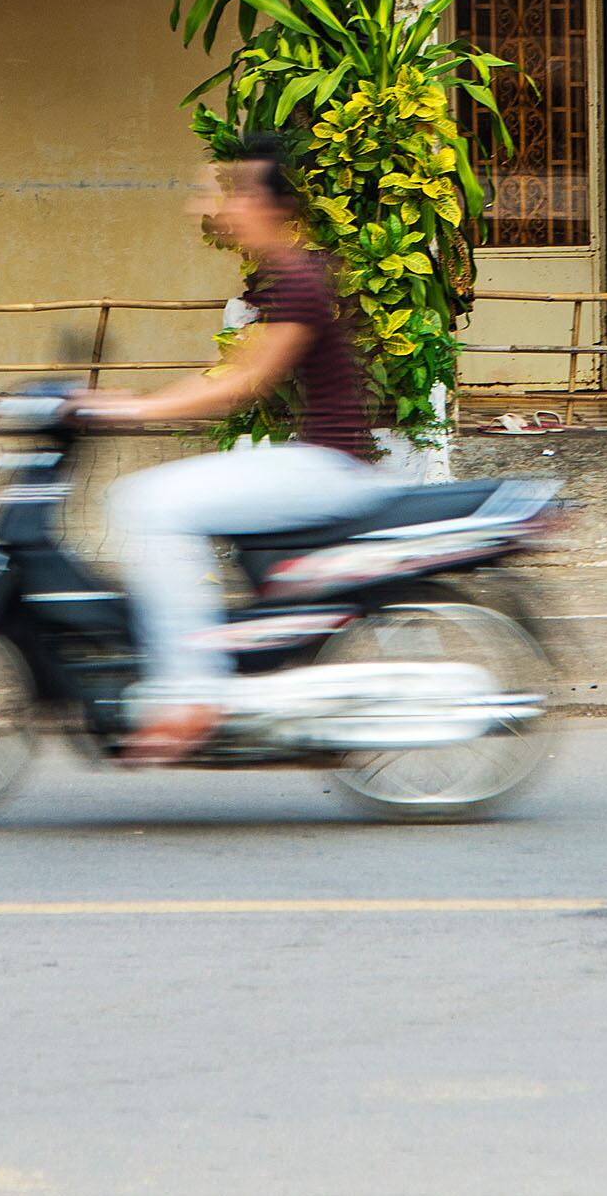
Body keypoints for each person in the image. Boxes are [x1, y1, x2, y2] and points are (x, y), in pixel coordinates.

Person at [86, 138, 389, 760]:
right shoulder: (281, 276)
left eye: (230, 190)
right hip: (313, 460)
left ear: (268, 204)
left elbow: (241, 383)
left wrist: (130, 409)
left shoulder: (299, 280)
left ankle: (193, 693)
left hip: (328, 470)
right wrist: (127, 403)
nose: (212, 203)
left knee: (148, 503)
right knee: (157, 501)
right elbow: (226, 375)